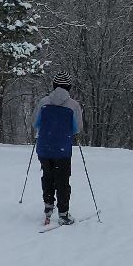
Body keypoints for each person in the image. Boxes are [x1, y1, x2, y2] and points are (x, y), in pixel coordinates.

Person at [33, 73, 84, 225]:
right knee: (62, 180)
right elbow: (77, 128)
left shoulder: (43, 102)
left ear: (54, 86)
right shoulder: (73, 106)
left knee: (47, 177)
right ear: (69, 87)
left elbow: (35, 123)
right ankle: (63, 214)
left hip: (44, 148)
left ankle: (48, 207)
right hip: (62, 149)